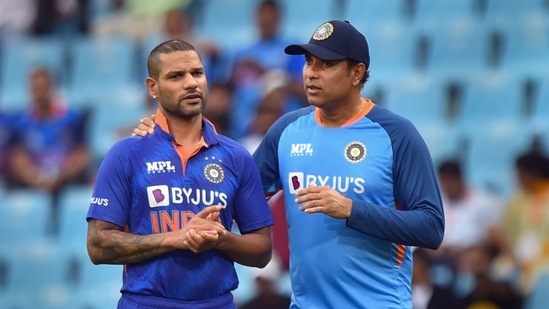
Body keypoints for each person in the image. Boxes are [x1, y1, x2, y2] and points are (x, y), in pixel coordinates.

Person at [134, 20, 445, 308]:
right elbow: (227, 198)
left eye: (327, 64)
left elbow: (431, 227)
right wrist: (162, 132)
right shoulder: (287, 131)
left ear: (356, 73)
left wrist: (351, 209)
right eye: (309, 62)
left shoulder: (395, 134)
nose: (311, 73)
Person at [87, 39, 274, 309]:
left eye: (197, 73)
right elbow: (98, 245)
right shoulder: (126, 154)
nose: (191, 83)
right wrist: (176, 238)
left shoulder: (236, 156)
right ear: (153, 87)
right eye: (176, 76)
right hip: (146, 304)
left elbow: (261, 251)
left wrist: (220, 239)